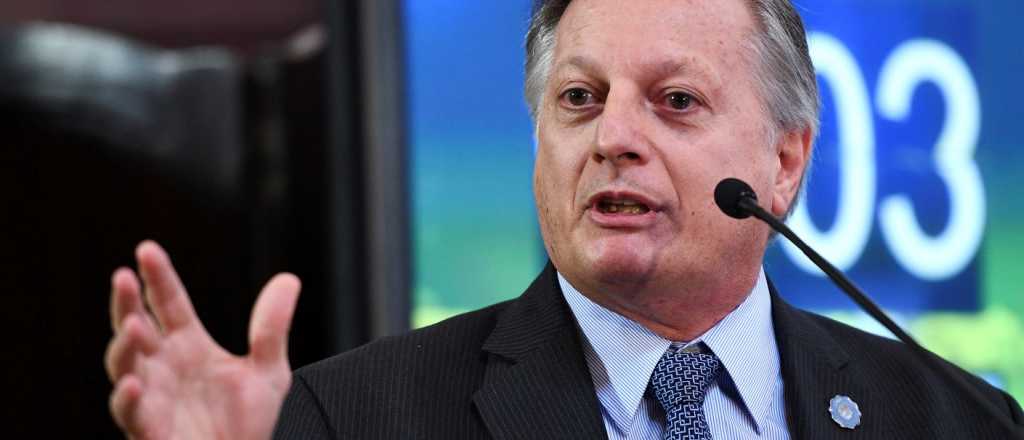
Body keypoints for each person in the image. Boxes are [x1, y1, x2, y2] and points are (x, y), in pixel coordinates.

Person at [105, 0, 1023, 438]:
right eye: (580, 99)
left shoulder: (962, 422)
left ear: (784, 163)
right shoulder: (359, 418)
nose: (613, 138)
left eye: (675, 101)